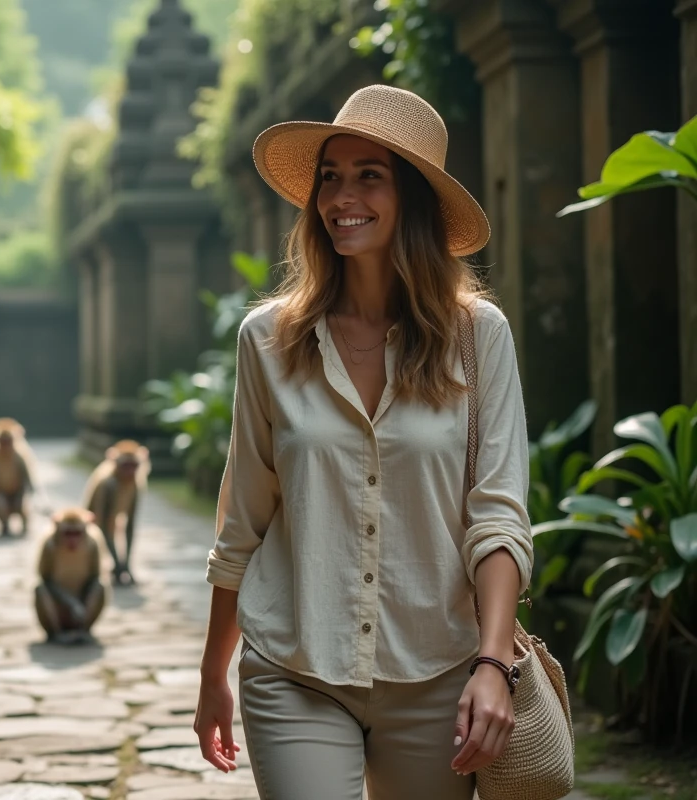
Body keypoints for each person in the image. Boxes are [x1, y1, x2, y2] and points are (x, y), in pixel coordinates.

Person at [192, 84, 534, 800]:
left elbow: (498, 515)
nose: (341, 196)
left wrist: (492, 664)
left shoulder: (478, 339)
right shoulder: (269, 341)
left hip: (439, 670)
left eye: (368, 175)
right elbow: (244, 516)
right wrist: (212, 676)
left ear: (410, 196)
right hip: (295, 662)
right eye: (329, 176)